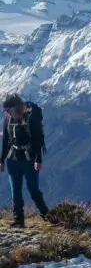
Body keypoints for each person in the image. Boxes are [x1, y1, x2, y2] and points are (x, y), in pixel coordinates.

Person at [0, 94, 49, 228]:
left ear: (16, 108)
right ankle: (18, 220)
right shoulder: (7, 120)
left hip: (29, 159)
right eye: (6, 111)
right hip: (12, 159)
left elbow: (37, 139)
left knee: (33, 189)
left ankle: (48, 217)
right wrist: (1, 159)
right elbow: (5, 140)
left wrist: (38, 159)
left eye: (9, 109)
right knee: (15, 190)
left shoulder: (30, 118)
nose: (7, 112)